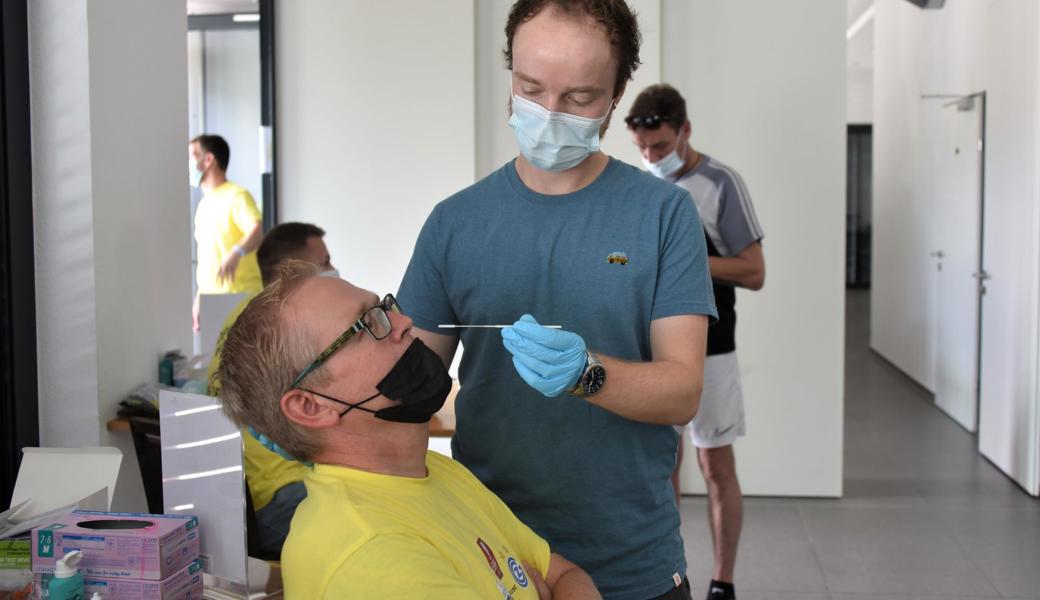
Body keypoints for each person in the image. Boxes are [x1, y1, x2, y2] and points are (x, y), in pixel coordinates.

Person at [397, 2, 717, 598]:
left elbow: (682, 391)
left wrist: (587, 374)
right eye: (530, 87)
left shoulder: (663, 215)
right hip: (490, 557)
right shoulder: (454, 224)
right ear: (510, 73)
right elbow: (407, 383)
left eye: (578, 98)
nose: (548, 113)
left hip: (629, 560)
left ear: (617, 95)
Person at [213, 262, 600, 598]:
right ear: (311, 406)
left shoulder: (433, 469)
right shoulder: (370, 551)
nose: (404, 321)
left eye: (384, 307)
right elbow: (550, 580)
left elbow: (565, 573)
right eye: (365, 324)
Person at [627, 83, 765, 600]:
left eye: (660, 147)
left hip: (713, 344)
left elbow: (754, 271)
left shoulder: (720, 183)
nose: (650, 158)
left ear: (685, 131)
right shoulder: (638, 184)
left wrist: (686, 260)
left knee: (714, 464)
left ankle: (722, 582)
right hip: (651, 346)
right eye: (642, 149)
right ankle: (670, 572)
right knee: (662, 464)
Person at [206, 222, 336, 557]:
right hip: (283, 494)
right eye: (323, 264)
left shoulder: (240, 318)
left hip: (246, 497)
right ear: (287, 272)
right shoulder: (289, 324)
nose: (333, 272)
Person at [189, 134, 263, 331]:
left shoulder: (237, 196)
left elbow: (256, 229)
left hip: (240, 298)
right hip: (212, 300)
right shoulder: (203, 205)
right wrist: (199, 298)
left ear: (208, 160)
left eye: (192, 156)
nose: (188, 163)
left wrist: (236, 253)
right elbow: (207, 259)